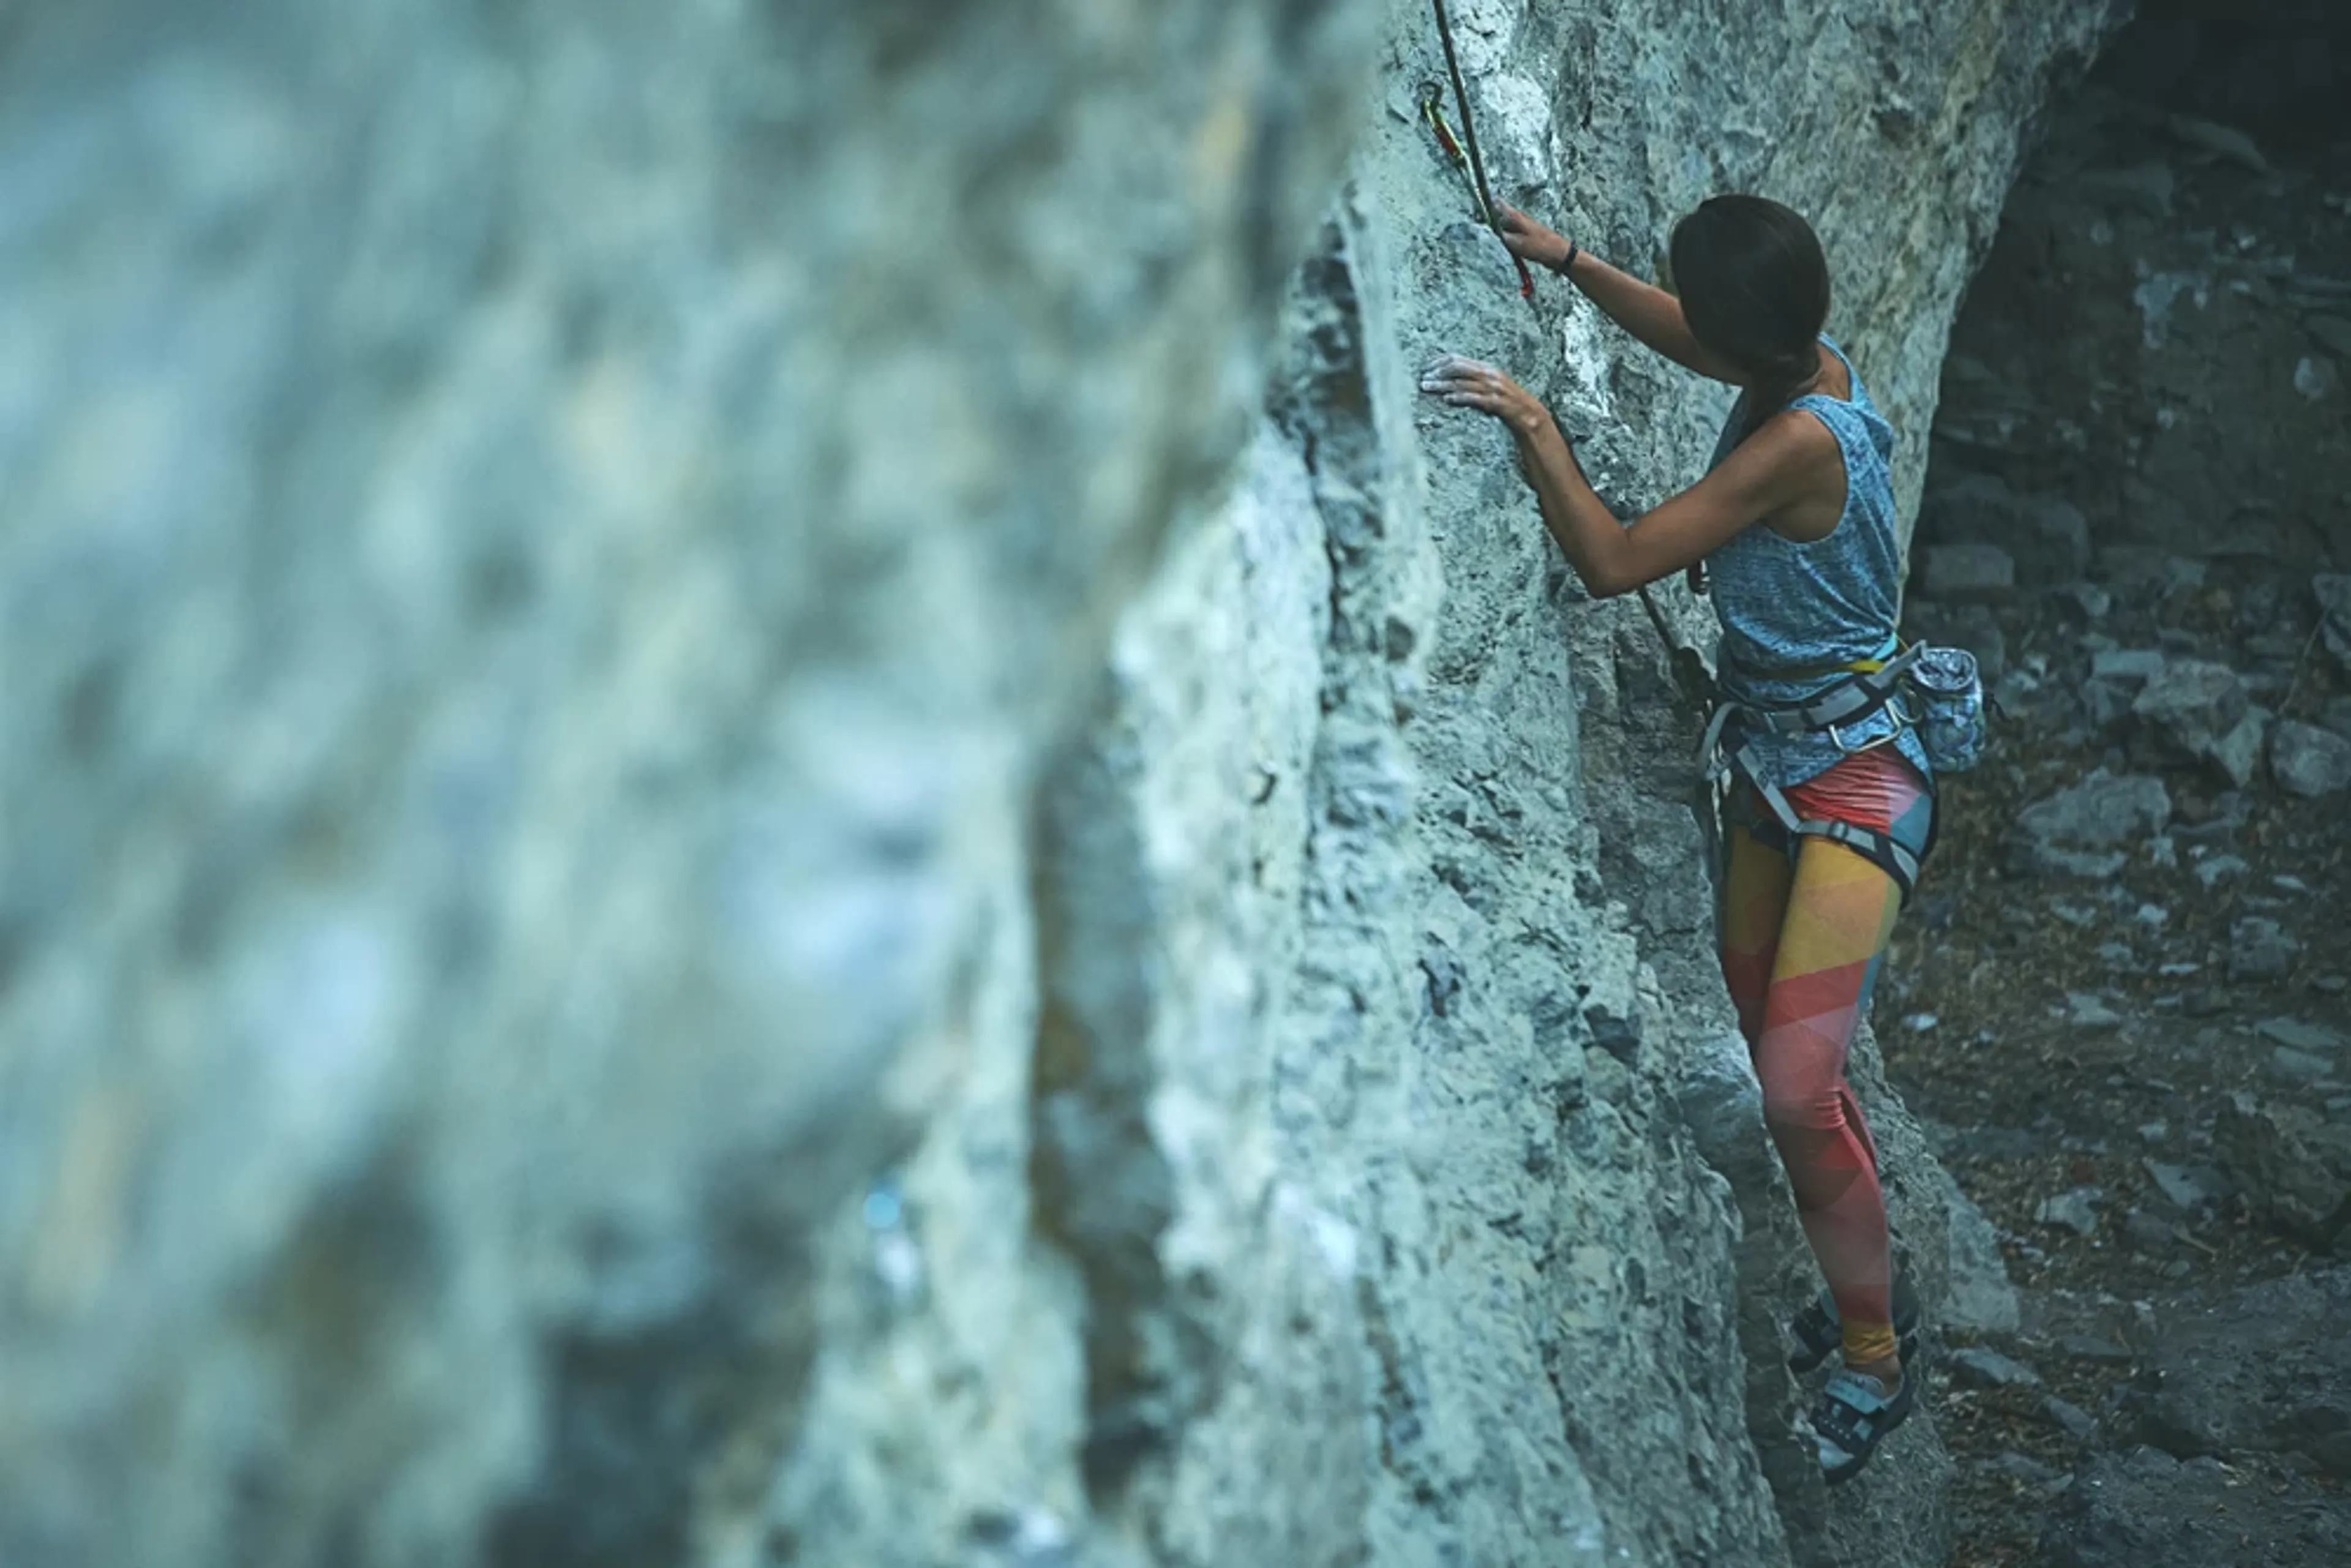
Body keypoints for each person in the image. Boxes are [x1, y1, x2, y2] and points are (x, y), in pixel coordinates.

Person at [1420, 194, 1933, 1485]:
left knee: (1796, 1088)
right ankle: (1876, 1275)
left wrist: (1532, 420)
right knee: (1788, 1070)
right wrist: (1578, 264)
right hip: (1777, 767)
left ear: (1741, 328)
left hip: (1861, 781)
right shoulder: (1803, 365)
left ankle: (1876, 1354)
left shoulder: (1795, 440)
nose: (1689, 324)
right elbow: (1692, 338)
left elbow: (1611, 559)